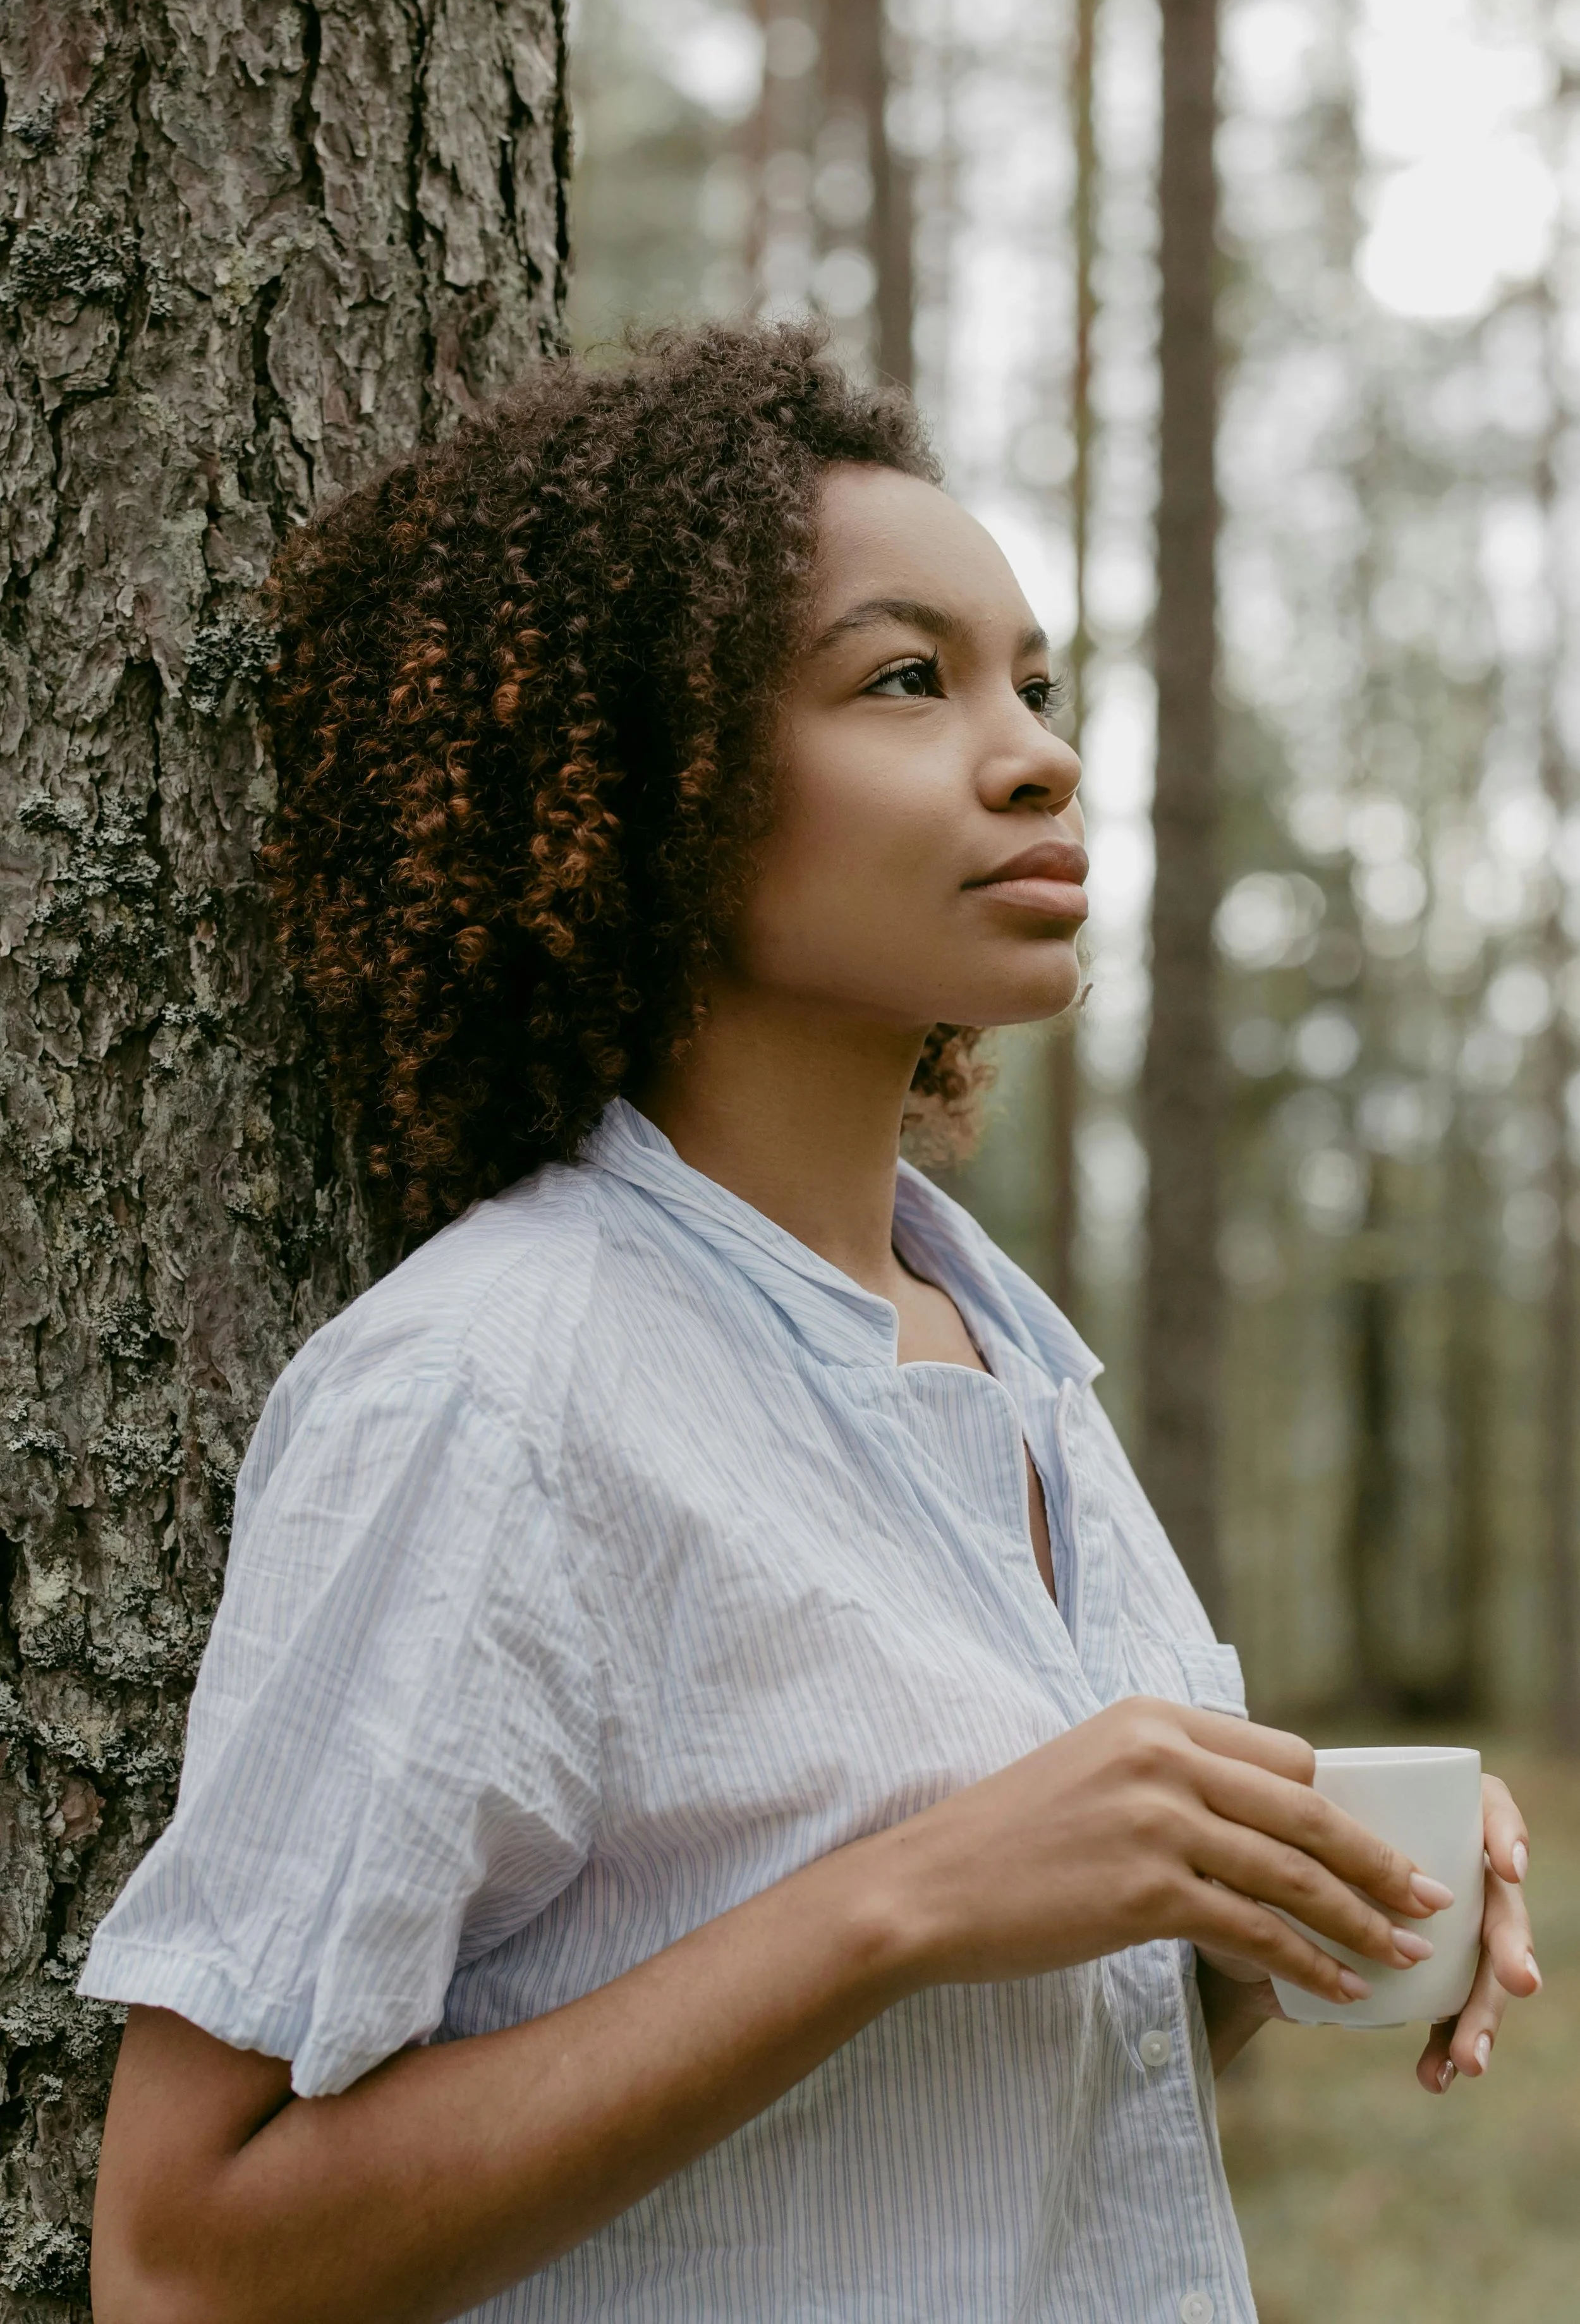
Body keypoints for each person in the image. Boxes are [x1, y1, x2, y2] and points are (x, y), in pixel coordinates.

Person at [83, 325, 1538, 2324]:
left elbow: (991, 2099)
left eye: (1033, 682)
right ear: (638, 770)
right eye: (904, 679)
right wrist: (902, 1900)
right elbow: (185, 2259)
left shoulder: (1014, 1362)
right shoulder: (494, 1390)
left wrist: (1256, 1910)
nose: (1032, 750)